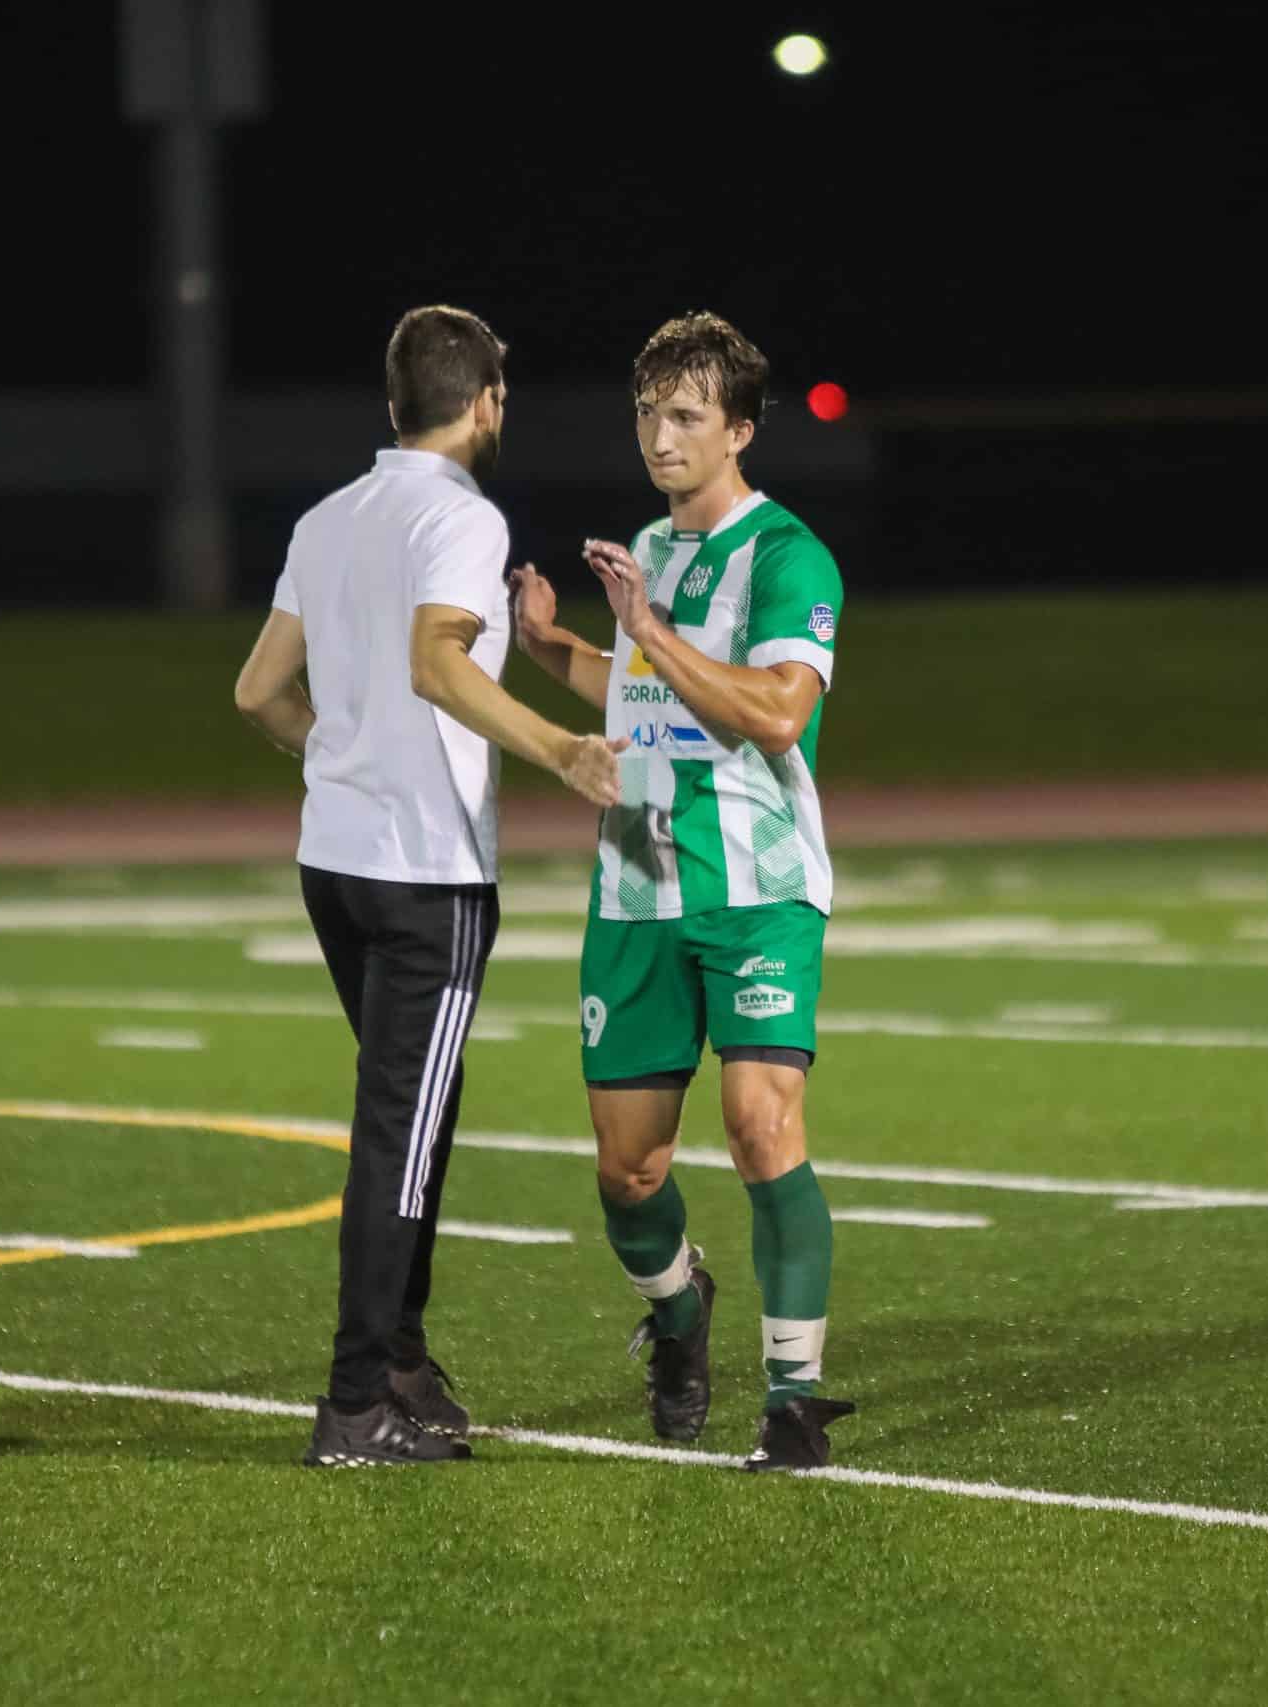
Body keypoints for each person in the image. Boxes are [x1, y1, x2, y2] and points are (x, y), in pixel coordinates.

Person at [236, 306, 627, 1468]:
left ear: (394, 403)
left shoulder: (327, 516)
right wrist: (561, 750)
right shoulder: (462, 517)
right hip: (423, 873)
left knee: (413, 1115)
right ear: (488, 400)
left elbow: (258, 692)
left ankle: (399, 1362)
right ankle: (357, 1400)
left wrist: (341, 752)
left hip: (335, 863)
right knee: (398, 1128)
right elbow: (436, 661)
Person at [507, 312, 855, 1471]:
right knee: (628, 1171)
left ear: (740, 429)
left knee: (760, 1126)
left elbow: (775, 713)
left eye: (687, 416)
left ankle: (793, 1401)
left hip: (757, 885)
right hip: (636, 884)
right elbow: (641, 686)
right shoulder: (648, 551)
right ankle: (676, 1310)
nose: (660, 436)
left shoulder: (789, 556)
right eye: (647, 414)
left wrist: (649, 630)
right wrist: (550, 647)